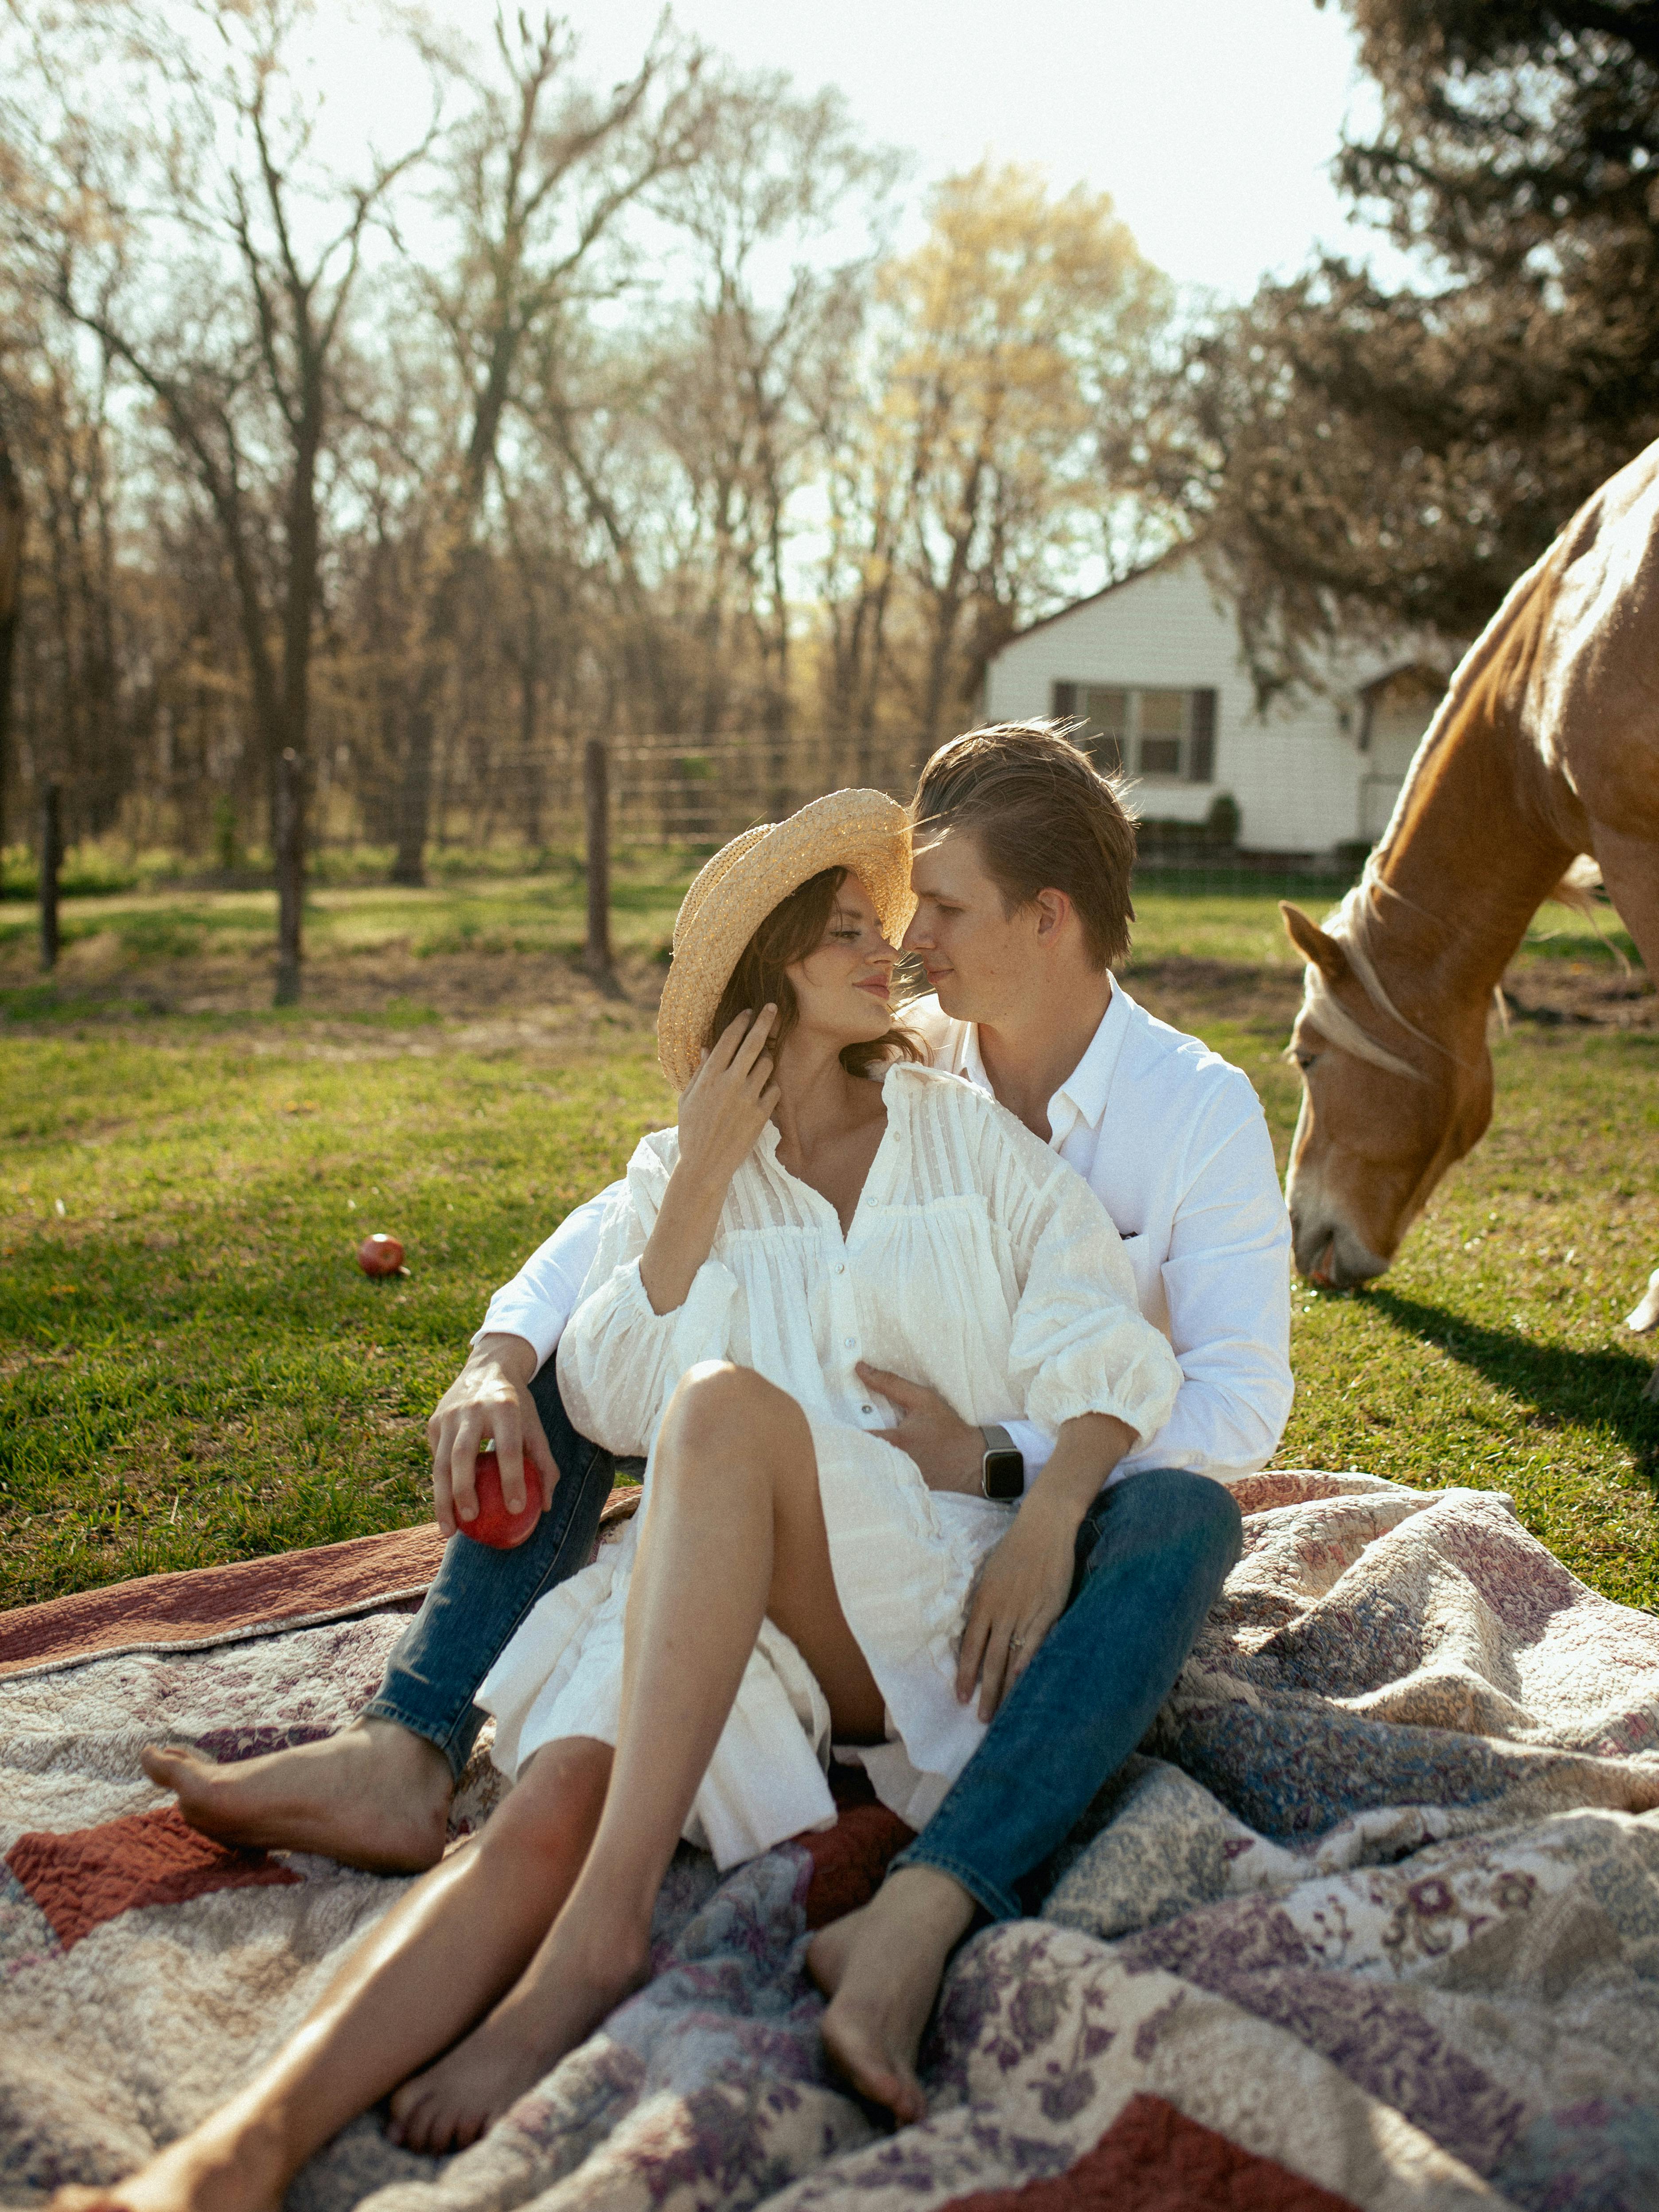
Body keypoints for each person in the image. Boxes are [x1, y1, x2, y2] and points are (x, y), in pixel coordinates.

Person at [147, 722, 1292, 2117]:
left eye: (936, 909)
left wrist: (1021, 1473)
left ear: (1046, 921)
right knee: (588, 1392)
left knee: (1172, 1513)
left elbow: (1227, 1397)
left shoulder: (1175, 1111)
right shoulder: (908, 1042)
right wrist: (501, 1350)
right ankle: (285, 2039)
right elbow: (616, 1240)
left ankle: (887, 1901)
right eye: (879, 922)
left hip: (1053, 1520)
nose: (910, 944)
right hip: (777, 1524)